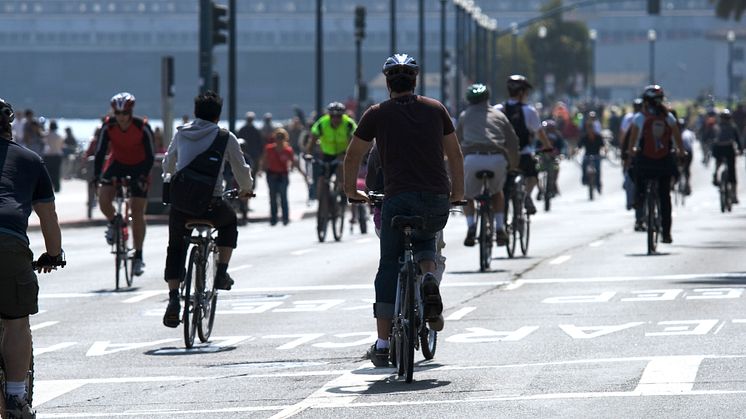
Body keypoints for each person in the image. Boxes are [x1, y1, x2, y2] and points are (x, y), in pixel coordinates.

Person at [343, 54, 465, 367]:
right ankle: (427, 279)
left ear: (387, 83)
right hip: (435, 197)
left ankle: (383, 344)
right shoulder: (436, 109)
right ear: (415, 81)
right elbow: (455, 155)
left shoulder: (376, 114)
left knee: (387, 265)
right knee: (426, 241)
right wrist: (458, 193)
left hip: (397, 198)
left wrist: (350, 191)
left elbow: (353, 155)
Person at [161, 91, 253, 328]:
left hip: (182, 207)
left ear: (195, 112)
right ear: (218, 115)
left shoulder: (181, 133)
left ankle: (173, 299)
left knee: (175, 246)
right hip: (212, 205)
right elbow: (241, 170)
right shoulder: (225, 137)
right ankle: (221, 272)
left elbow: (168, 165)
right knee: (229, 222)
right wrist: (245, 190)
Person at [0, 97, 64, 419]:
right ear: (9, 127)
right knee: (15, 320)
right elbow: (48, 218)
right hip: (8, 243)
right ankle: (14, 399)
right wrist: (54, 254)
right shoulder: (29, 160)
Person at [94, 92, 155, 277]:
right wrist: (97, 176)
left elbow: (151, 155)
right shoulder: (108, 125)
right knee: (104, 199)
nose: (121, 118)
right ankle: (115, 221)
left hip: (140, 166)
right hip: (118, 163)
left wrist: (143, 176)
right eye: (118, 113)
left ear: (130, 113)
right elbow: (100, 151)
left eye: (125, 113)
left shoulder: (142, 127)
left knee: (137, 210)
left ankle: (138, 255)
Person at [457, 83, 519, 247]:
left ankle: (471, 227)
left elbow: (456, 142)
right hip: (496, 158)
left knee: (467, 196)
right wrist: (513, 165)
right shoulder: (499, 115)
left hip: (472, 159)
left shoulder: (464, 116)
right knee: (497, 192)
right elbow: (513, 142)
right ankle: (499, 228)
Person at [626, 85, 686, 242]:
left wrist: (632, 152)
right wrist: (680, 153)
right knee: (664, 196)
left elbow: (632, 142)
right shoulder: (668, 117)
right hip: (664, 163)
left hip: (645, 162)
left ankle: (639, 198)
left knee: (635, 173)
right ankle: (666, 233)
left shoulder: (640, 118)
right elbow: (678, 140)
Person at [495, 75, 553, 215]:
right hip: (523, 155)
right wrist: (548, 148)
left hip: (503, 157)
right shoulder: (529, 110)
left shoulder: (498, 109)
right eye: (526, 92)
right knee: (533, 175)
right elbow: (540, 134)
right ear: (521, 92)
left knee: (501, 188)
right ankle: (527, 195)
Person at [306, 102, 357, 205]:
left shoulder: (349, 124)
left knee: (341, 174)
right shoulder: (322, 123)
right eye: (332, 116)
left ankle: (342, 195)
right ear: (329, 115)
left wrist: (349, 154)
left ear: (343, 115)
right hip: (327, 153)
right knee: (321, 178)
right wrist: (309, 153)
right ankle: (321, 202)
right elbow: (312, 140)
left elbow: (355, 140)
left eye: (338, 116)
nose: (335, 118)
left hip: (343, 153)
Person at [259, 127, 307, 226]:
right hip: (271, 175)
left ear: (285, 138)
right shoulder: (269, 148)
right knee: (273, 198)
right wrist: (260, 170)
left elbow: (295, 163)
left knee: (283, 197)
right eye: (277, 137)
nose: (279, 139)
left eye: (281, 137)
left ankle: (285, 218)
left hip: (283, 176)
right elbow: (263, 160)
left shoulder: (288, 150)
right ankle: (273, 218)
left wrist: (303, 174)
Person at [711, 109, 743, 202]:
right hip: (728, 148)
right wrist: (740, 150)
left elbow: (712, 140)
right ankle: (733, 195)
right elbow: (738, 140)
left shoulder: (717, 126)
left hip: (720, 148)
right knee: (732, 172)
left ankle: (715, 174)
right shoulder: (733, 127)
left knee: (719, 163)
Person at [577, 111, 605, 193]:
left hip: (597, 155)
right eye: (588, 128)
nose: (590, 130)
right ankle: (584, 179)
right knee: (583, 166)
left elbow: (603, 146)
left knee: (598, 170)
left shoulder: (598, 137)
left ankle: (598, 184)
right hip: (587, 156)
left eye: (591, 128)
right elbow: (579, 146)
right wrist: (575, 151)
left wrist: (604, 151)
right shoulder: (584, 137)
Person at [237, 111, 264, 180]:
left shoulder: (243, 129)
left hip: (251, 155)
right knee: (250, 173)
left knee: (250, 173)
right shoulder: (255, 130)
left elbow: (260, 144)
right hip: (247, 154)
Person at [42, 120, 65, 192]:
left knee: (48, 172)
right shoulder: (59, 136)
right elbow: (61, 146)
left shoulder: (46, 135)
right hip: (57, 155)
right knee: (57, 172)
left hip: (48, 155)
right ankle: (57, 187)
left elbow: (43, 143)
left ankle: (49, 186)